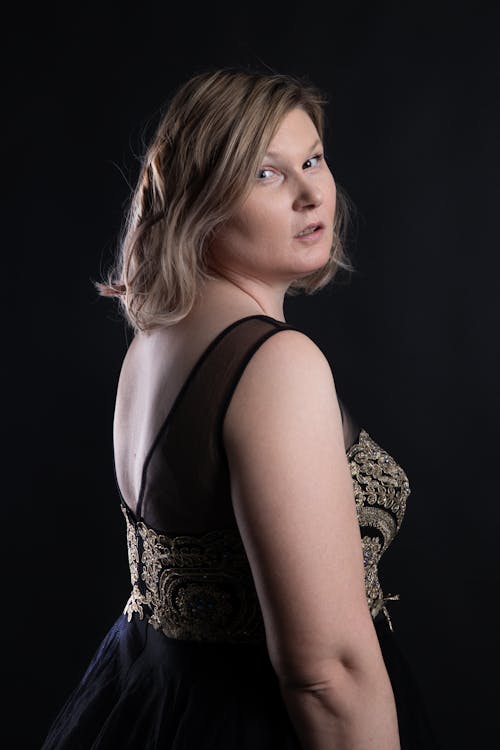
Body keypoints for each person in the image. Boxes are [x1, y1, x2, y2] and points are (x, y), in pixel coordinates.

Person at [41, 67, 438, 749]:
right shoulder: (277, 365)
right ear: (202, 200)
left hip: (144, 702)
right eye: (266, 173)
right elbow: (325, 676)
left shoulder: (159, 338)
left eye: (313, 158)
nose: (313, 191)